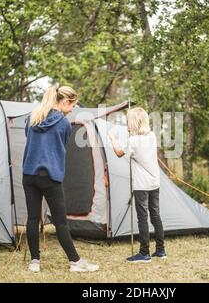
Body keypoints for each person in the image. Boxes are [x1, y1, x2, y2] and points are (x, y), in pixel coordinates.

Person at [22, 85, 99, 273]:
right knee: (60, 222)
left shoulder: (32, 119)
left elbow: (29, 137)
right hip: (50, 177)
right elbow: (61, 144)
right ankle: (75, 262)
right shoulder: (64, 124)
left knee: (32, 219)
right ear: (64, 101)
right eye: (72, 105)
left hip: (29, 175)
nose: (73, 109)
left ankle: (34, 262)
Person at [109, 107, 166, 263]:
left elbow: (119, 153)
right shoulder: (152, 136)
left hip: (141, 184)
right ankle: (160, 251)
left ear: (134, 123)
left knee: (143, 218)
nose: (127, 123)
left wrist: (112, 139)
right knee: (155, 215)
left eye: (128, 120)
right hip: (155, 181)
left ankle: (144, 253)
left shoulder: (133, 141)